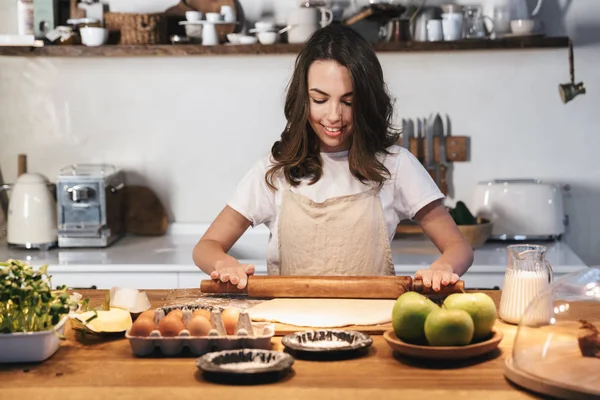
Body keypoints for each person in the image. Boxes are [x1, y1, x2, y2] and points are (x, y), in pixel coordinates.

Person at [193, 24, 473, 292]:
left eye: (348, 102)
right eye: (320, 100)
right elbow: (207, 246)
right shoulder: (275, 170)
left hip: (371, 327)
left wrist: (443, 267)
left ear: (367, 101)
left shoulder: (395, 166)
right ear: (303, 99)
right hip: (291, 327)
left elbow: (458, 247)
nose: (334, 115)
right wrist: (225, 264)